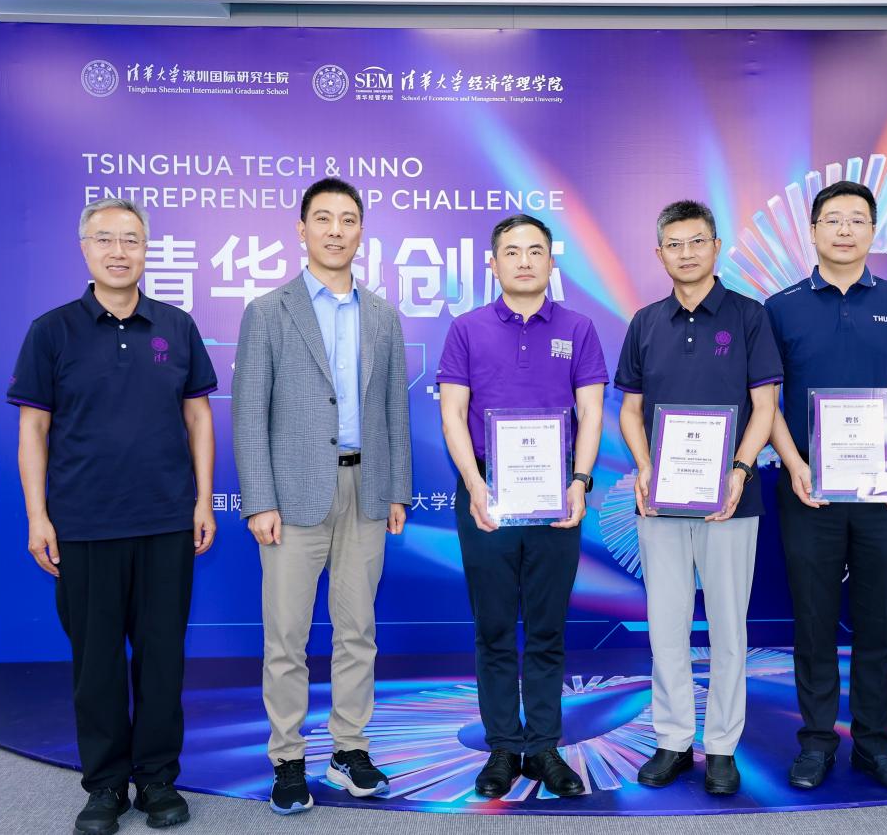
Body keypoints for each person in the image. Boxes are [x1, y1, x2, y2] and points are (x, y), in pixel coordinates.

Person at [9, 197, 217, 834]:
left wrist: (203, 500)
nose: (118, 251)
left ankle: (156, 779)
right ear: (85, 249)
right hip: (84, 525)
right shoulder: (52, 331)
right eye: (105, 239)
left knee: (162, 659)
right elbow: (33, 429)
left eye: (131, 239)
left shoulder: (176, 326)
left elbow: (198, 417)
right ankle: (104, 786)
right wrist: (38, 516)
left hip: (165, 521)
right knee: (95, 664)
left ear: (147, 249)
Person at [232, 177, 412, 813]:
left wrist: (397, 489)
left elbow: (394, 409)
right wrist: (260, 499)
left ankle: (348, 748)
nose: (336, 230)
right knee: (287, 636)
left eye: (348, 220)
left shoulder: (383, 315)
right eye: (324, 219)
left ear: (362, 232)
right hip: (292, 494)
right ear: (302, 229)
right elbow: (249, 414)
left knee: (357, 630)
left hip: (367, 490)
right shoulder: (268, 311)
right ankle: (288, 757)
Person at [765, 180, 887, 792]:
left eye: (857, 219)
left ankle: (874, 744)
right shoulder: (779, 307)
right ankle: (816, 742)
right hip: (808, 491)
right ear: (812, 232)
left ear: (872, 231)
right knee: (813, 622)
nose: (844, 230)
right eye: (832, 219)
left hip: (883, 492)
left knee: (879, 622)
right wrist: (794, 463)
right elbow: (766, 403)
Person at [615, 200, 782, 796]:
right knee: (666, 626)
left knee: (729, 628)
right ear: (659, 254)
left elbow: (765, 407)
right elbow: (630, 410)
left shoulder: (749, 316)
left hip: (732, 499)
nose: (686, 253)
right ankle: (673, 739)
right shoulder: (645, 322)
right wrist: (644, 466)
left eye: (696, 242)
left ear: (716, 247)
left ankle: (722, 747)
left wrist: (739, 469)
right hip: (660, 499)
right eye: (674, 244)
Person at [438, 214, 607, 799]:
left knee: (546, 628)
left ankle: (543, 747)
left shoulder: (578, 328)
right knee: (492, 627)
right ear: (493, 263)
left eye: (536, 250)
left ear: (551, 262)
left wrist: (580, 480)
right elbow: (452, 413)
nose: (525, 260)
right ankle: (503, 747)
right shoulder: (467, 329)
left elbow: (591, 411)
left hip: (556, 493)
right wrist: (473, 483)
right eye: (512, 251)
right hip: (487, 492)